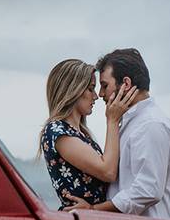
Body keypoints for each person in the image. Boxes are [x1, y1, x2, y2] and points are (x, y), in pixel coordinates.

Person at [65, 48, 170, 220]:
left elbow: (148, 190)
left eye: (104, 86)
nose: (101, 94)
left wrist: (93, 210)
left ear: (125, 83)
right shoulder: (129, 122)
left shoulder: (151, 124)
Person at [40, 59, 136, 210]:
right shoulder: (57, 132)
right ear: (73, 90)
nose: (96, 96)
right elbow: (108, 172)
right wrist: (112, 121)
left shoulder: (80, 133)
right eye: (91, 89)